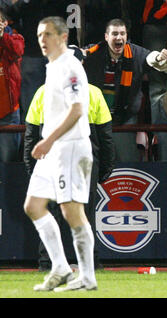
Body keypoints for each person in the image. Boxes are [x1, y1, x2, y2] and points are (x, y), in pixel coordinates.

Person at [24, 47, 115, 272]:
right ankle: (87, 263)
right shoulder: (91, 92)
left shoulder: (44, 92)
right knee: (83, 212)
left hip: (62, 159)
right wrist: (105, 168)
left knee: (55, 211)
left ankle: (49, 263)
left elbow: (31, 135)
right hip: (79, 159)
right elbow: (105, 137)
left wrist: (31, 165)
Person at [23, 16, 97, 291]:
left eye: (49, 34)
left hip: (69, 147)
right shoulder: (52, 65)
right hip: (53, 148)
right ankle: (60, 267)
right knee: (33, 206)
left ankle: (87, 277)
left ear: (63, 37)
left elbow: (77, 110)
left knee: (72, 212)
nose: (43, 40)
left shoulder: (70, 66)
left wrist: (48, 140)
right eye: (40, 34)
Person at [83, 18, 152, 163]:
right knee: (94, 163)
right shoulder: (93, 52)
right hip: (95, 120)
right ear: (106, 36)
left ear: (126, 36)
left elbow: (154, 58)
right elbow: (73, 52)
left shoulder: (137, 53)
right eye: (114, 34)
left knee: (128, 163)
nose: (119, 37)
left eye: (122, 34)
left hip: (124, 119)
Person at [0, 8, 23, 162]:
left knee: (9, 162)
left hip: (8, 113)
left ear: (4, 23)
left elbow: (17, 51)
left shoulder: (15, 39)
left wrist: (2, 36)